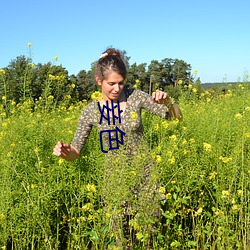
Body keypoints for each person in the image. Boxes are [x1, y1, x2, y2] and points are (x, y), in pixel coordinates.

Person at [53, 47, 182, 247]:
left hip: (145, 176)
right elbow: (75, 151)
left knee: (150, 236)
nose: (117, 88)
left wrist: (169, 102)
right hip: (115, 182)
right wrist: (65, 152)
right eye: (111, 83)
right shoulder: (91, 111)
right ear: (99, 81)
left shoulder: (135, 97)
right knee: (120, 239)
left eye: (121, 83)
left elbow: (175, 118)